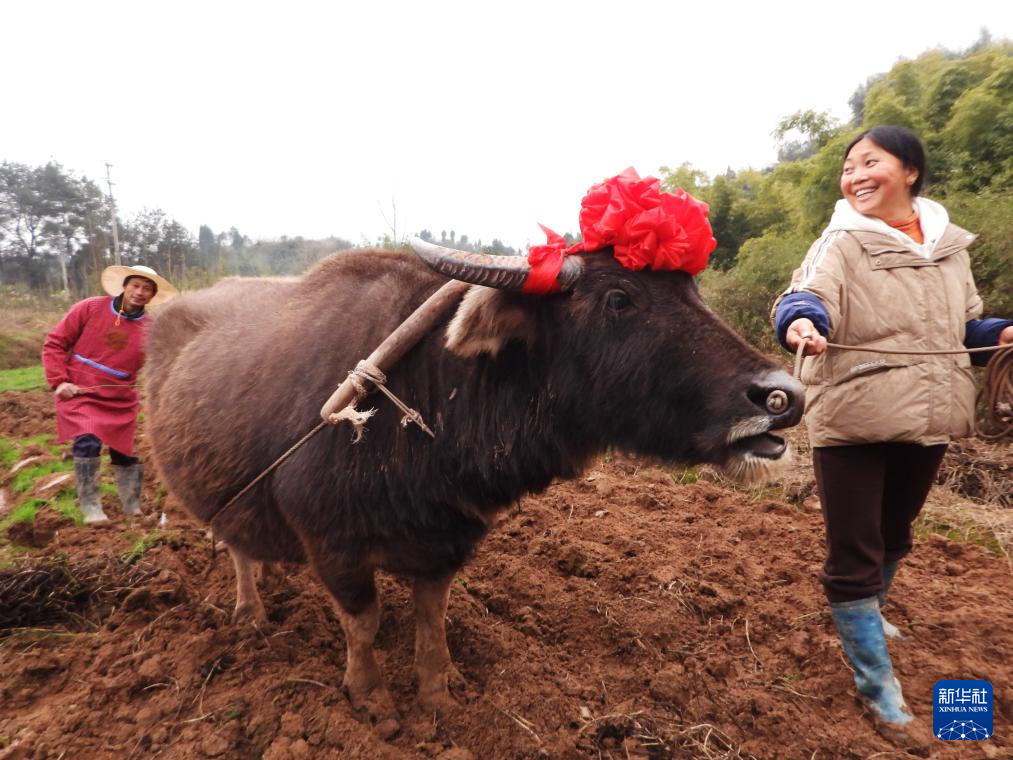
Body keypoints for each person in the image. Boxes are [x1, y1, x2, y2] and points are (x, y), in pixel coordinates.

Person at [771, 125, 1013, 736]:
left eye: (869, 163)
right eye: (848, 168)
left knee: (895, 532)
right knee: (855, 551)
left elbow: (966, 325)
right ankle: (877, 682)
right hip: (854, 415)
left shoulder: (951, 247)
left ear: (909, 171)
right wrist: (802, 324)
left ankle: (870, 616)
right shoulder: (841, 241)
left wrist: (1000, 336)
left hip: (930, 413)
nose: (854, 176)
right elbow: (802, 297)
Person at [42, 264, 178, 524]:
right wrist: (59, 381)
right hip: (80, 391)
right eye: (135, 286)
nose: (139, 292)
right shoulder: (90, 308)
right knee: (88, 440)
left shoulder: (151, 329)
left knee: (125, 450)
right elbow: (55, 343)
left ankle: (131, 505)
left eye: (146, 289)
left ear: (152, 296)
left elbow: (161, 363)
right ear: (124, 286)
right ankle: (91, 506)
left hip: (120, 397)